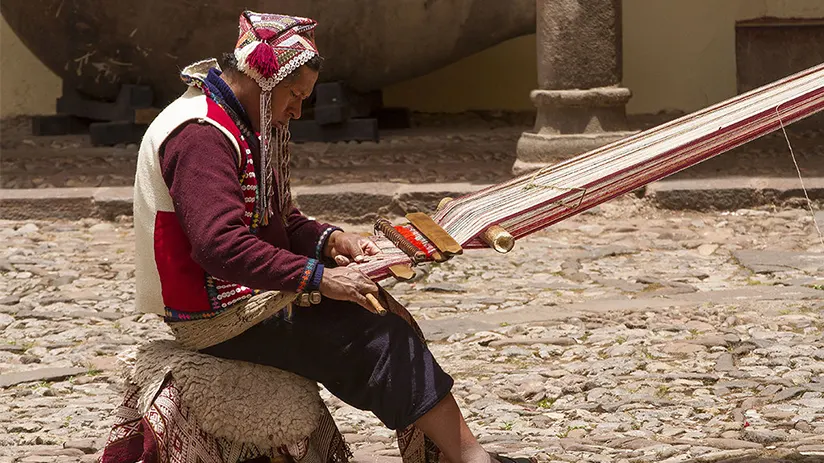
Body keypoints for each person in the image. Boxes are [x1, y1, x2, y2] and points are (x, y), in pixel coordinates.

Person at [130, 10, 530, 463]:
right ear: (264, 79)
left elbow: (279, 222)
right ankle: (471, 460)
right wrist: (320, 278)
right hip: (220, 314)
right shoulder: (201, 133)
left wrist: (334, 241)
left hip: (247, 295)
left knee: (382, 311)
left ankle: (456, 455)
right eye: (295, 95)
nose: (298, 110)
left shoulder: (240, 123)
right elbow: (219, 245)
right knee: (378, 336)